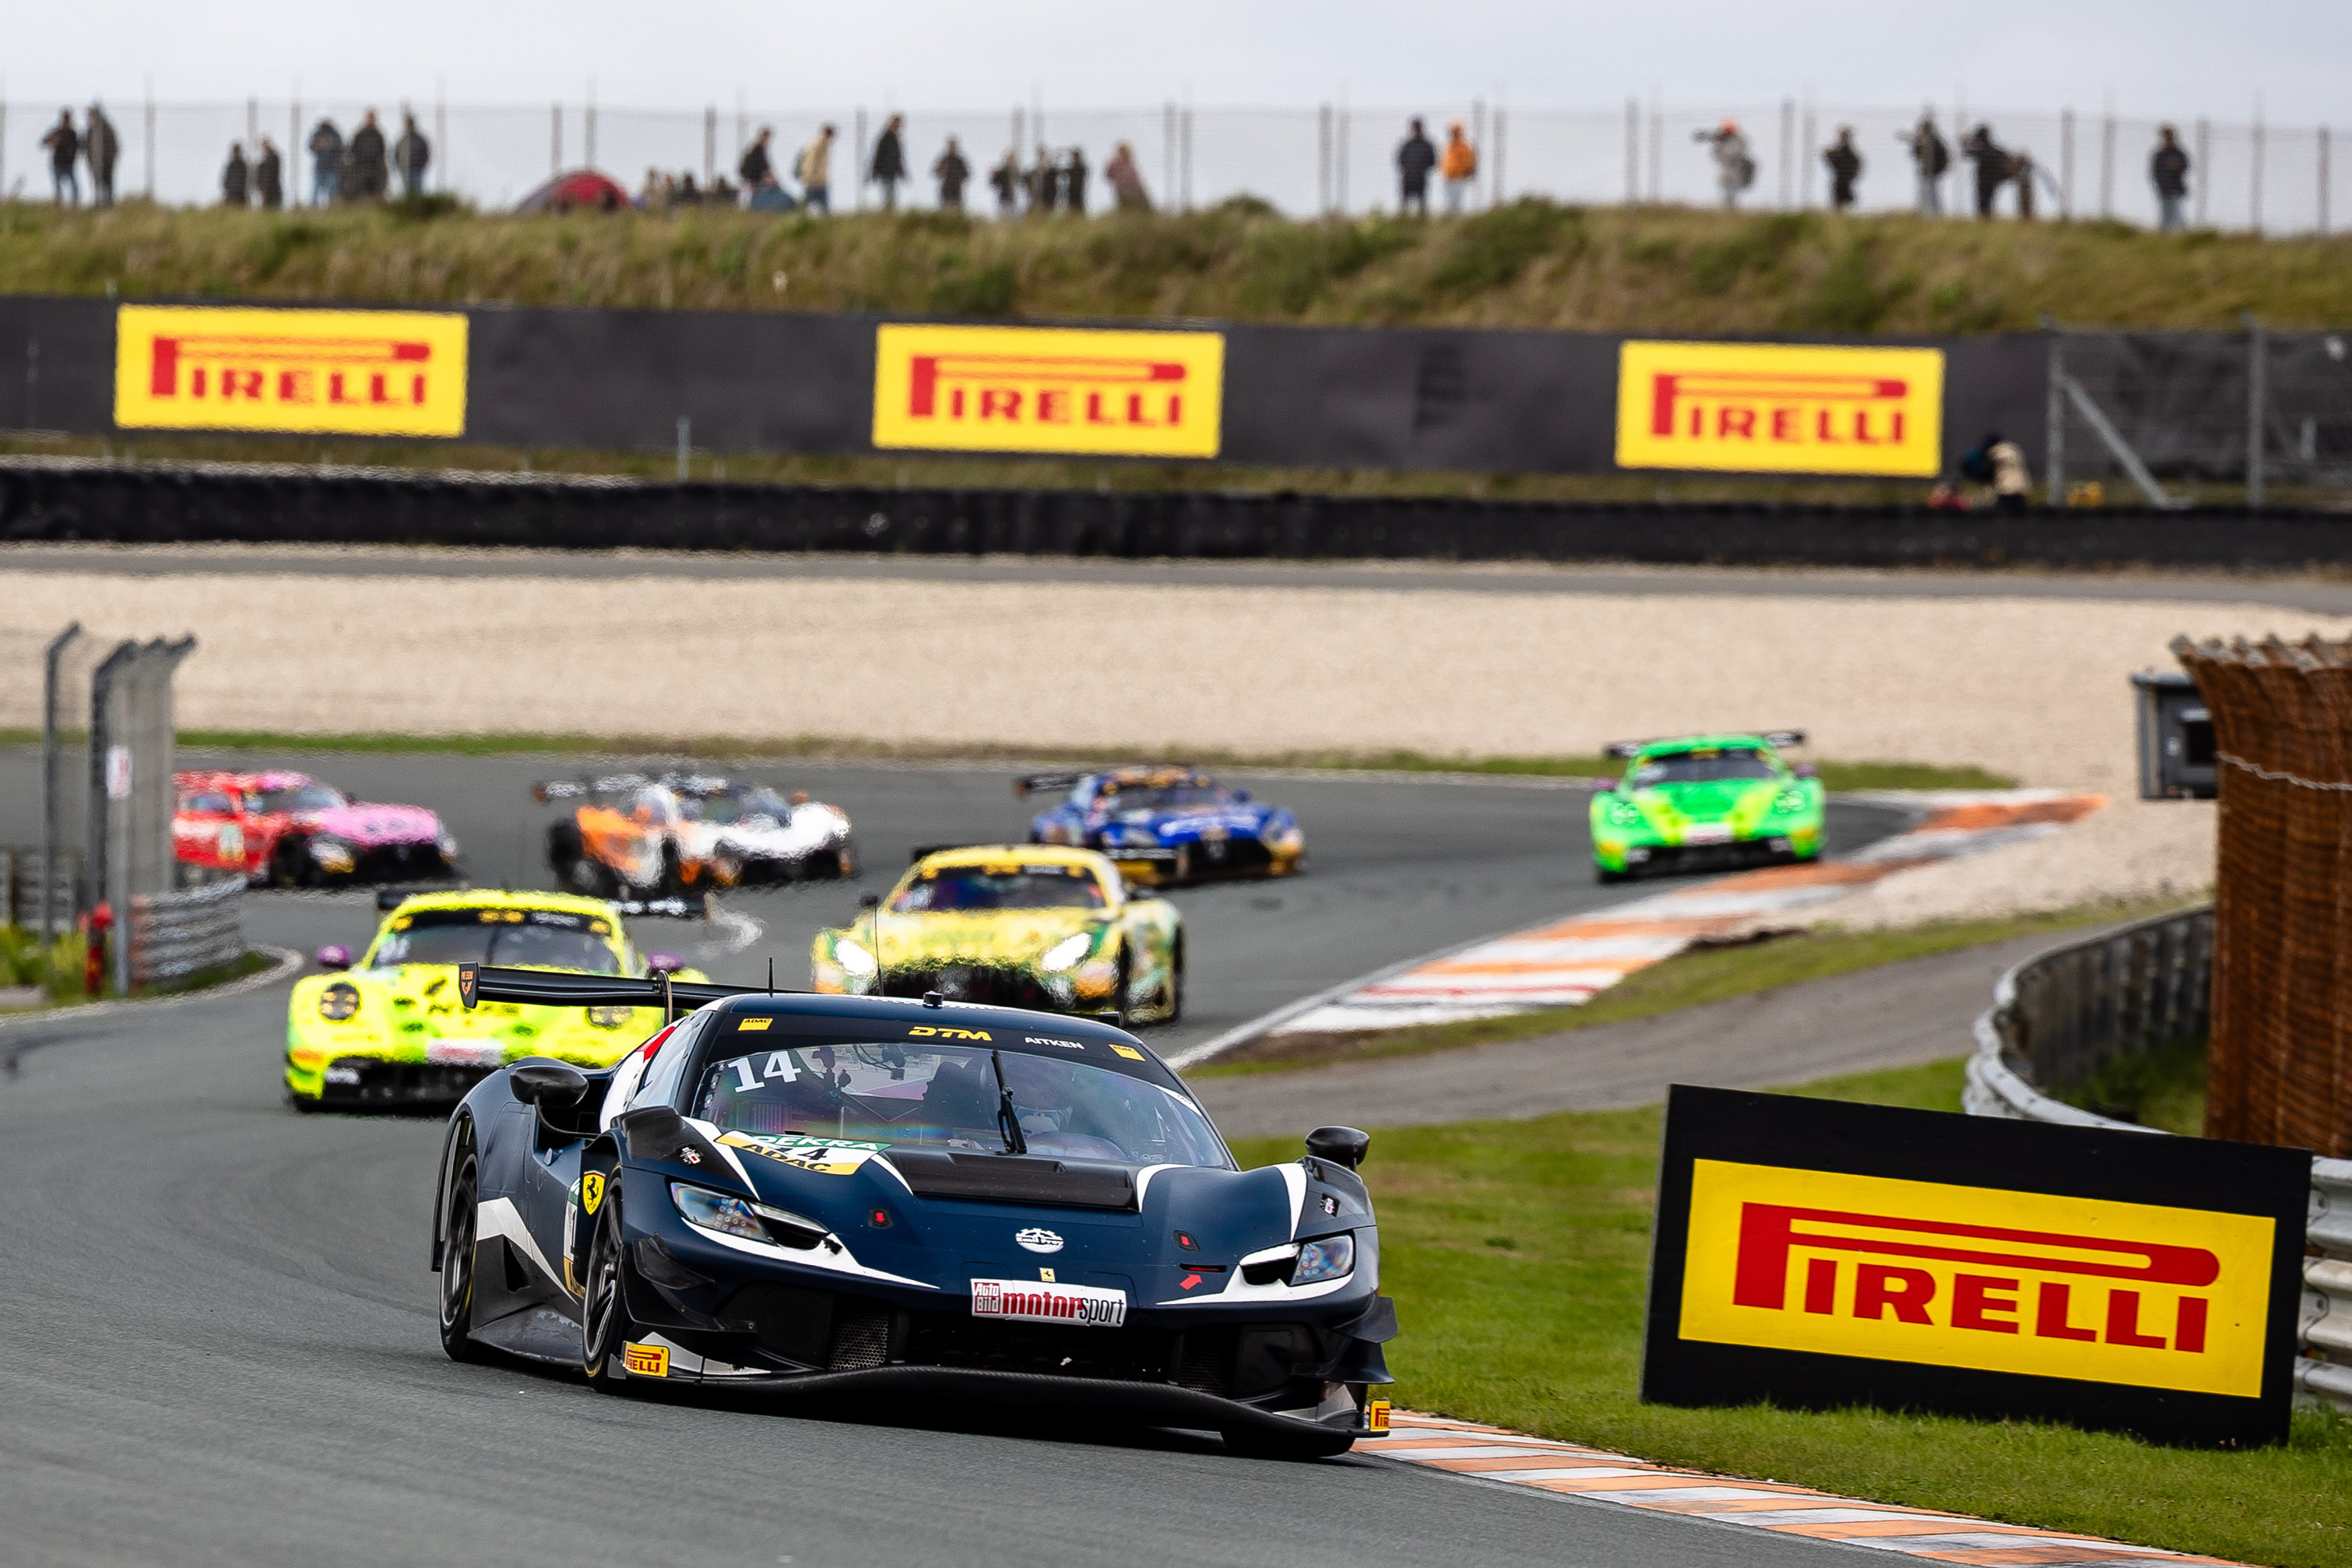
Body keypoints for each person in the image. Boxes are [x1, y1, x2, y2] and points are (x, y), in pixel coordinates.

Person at [1897, 110, 1948, 216]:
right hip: (1928, 171)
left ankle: (1932, 214)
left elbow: (1931, 155)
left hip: (1931, 172)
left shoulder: (1934, 142)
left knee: (1930, 194)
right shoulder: (1933, 141)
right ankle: (1929, 214)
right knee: (1928, 193)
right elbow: (1917, 154)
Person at [1696, 120, 1755, 209]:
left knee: (1733, 190)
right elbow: (1716, 155)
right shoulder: (1721, 141)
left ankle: (1732, 208)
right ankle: (1727, 208)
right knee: (1725, 189)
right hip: (1726, 169)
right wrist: (1718, 143)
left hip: (1736, 169)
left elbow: (1737, 153)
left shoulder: (1739, 140)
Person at [1963, 124, 2008, 219]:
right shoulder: (1994, 150)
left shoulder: (1982, 150)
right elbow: (2005, 155)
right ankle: (1987, 219)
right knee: (1989, 201)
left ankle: (1984, 219)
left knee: (1982, 202)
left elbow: (1967, 153)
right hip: (1992, 180)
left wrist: (1970, 141)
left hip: (1983, 181)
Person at [2151, 125, 2191, 233]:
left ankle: (2181, 234)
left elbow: (2186, 167)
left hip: (2176, 189)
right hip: (2164, 190)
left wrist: (2177, 166)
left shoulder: (2178, 153)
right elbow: (2155, 172)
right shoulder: (2159, 155)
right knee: (2165, 217)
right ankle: (2165, 235)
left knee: (2177, 216)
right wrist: (2159, 184)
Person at [1396, 118, 1436, 215]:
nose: (1416, 130)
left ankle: (1421, 221)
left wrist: (1422, 169)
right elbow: (1400, 160)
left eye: (1418, 128)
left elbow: (1432, 161)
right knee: (1404, 206)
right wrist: (1408, 169)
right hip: (1408, 178)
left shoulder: (1427, 145)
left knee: (1422, 206)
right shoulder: (1407, 145)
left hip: (1421, 179)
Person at [85, 104, 121, 208]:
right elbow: (88, 147)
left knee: (107, 184)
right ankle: (99, 205)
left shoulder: (106, 129)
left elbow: (113, 146)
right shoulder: (91, 130)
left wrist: (110, 160)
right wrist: (90, 160)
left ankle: (108, 204)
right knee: (98, 185)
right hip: (96, 163)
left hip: (106, 163)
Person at [347, 111, 388, 199]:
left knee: (375, 194)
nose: (371, 121)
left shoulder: (379, 135)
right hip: (361, 169)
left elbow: (382, 152)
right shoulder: (359, 135)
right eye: (369, 118)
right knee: (362, 194)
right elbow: (353, 150)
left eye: (372, 118)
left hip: (375, 170)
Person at [41, 111, 80, 206]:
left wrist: (73, 157)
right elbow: (44, 142)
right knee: (58, 187)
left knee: (74, 185)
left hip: (69, 163)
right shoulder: (57, 132)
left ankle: (75, 203)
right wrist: (53, 141)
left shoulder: (72, 134)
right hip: (58, 163)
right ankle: (58, 203)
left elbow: (77, 146)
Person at [870, 114, 906, 210]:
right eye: (896, 124)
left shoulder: (895, 139)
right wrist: (875, 172)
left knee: (892, 198)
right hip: (885, 172)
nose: (898, 126)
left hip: (892, 173)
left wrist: (902, 173)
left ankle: (889, 214)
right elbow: (878, 156)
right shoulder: (885, 138)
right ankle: (887, 214)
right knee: (889, 199)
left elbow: (898, 158)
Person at [797, 125, 835, 214]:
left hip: (820, 180)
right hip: (815, 181)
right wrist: (809, 177)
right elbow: (810, 163)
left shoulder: (823, 146)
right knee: (812, 205)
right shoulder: (817, 146)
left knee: (818, 206)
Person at [1440, 121, 1477, 213]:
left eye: (1455, 132)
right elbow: (1444, 161)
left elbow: (1469, 162)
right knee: (1448, 202)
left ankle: (1455, 217)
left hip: (1458, 178)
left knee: (1456, 202)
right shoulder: (1449, 145)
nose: (1453, 134)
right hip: (1448, 178)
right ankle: (1450, 218)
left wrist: (1469, 172)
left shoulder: (1464, 147)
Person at [1103, 141, 1151, 212]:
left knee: (1141, 206)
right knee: (1126, 207)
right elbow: (1108, 175)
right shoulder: (1115, 163)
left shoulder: (1130, 165)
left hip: (1135, 188)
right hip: (1122, 188)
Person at [1823, 126, 1862, 212]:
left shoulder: (1849, 153)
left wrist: (1849, 175)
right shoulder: (1840, 151)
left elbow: (1855, 166)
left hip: (1844, 181)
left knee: (1843, 201)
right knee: (1839, 201)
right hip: (1840, 180)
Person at [307, 117, 344, 206]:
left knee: (332, 191)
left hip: (332, 168)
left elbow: (339, 147)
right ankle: (313, 207)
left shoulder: (335, 134)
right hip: (319, 167)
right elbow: (311, 146)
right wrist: (319, 145)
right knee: (315, 191)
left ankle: (331, 208)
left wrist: (329, 144)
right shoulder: (317, 133)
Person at [392, 114, 431, 199]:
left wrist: (421, 166)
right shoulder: (402, 140)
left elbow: (426, 154)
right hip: (405, 171)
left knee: (417, 194)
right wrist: (400, 167)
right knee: (407, 195)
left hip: (417, 171)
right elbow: (396, 155)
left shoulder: (420, 140)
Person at [933, 136, 971, 209]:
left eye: (953, 145)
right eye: (951, 145)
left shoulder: (959, 160)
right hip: (946, 187)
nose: (952, 147)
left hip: (956, 188)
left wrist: (958, 176)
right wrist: (942, 172)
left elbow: (966, 174)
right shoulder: (944, 159)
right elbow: (936, 171)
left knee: (957, 208)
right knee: (945, 208)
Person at [740, 127, 776, 199]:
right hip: (753, 179)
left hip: (754, 179)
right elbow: (762, 166)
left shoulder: (759, 150)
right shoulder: (757, 150)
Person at [254, 136, 283, 209]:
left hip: (273, 192)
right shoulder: (263, 162)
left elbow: (271, 175)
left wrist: (264, 188)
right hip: (267, 192)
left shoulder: (273, 158)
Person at [988, 149, 1020, 216]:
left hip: (1015, 199)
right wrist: (993, 176)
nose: (1010, 161)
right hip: (1004, 199)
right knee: (1003, 216)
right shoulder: (1002, 172)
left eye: (1012, 159)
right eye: (1008, 159)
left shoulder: (1016, 172)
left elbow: (1020, 184)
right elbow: (994, 184)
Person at [1063, 144, 1089, 214]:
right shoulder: (1076, 168)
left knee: (1078, 207)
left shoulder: (1081, 168)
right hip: (1072, 191)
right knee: (1074, 208)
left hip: (1078, 191)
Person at [222, 143, 250, 207]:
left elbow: (245, 180)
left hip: (240, 195)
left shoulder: (242, 166)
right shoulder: (230, 165)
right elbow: (226, 179)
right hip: (230, 194)